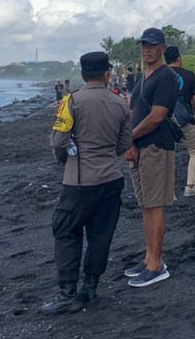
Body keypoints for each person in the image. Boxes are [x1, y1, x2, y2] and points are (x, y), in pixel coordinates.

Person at [40, 52, 133, 315]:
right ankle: (90, 287)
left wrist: (66, 158)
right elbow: (124, 144)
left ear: (82, 74)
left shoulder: (72, 101)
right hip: (111, 179)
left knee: (66, 230)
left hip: (79, 181)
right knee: (100, 235)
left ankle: (68, 292)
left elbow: (59, 141)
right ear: (107, 74)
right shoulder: (120, 104)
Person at [123, 28, 179, 288]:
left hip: (156, 146)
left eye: (153, 45)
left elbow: (157, 116)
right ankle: (149, 258)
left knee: (154, 205)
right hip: (139, 147)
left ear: (163, 48)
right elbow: (133, 110)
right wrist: (130, 141)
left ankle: (156, 265)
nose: (147, 50)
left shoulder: (166, 76)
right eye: (144, 45)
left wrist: (129, 138)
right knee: (145, 204)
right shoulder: (143, 76)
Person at [165, 45, 195, 197]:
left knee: (167, 154)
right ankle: (191, 186)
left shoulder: (160, 75)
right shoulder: (189, 76)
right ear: (179, 58)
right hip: (185, 118)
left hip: (165, 119)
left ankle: (168, 193)